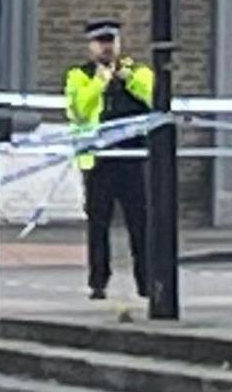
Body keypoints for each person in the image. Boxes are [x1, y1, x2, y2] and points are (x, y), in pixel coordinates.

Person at [66, 20, 161, 300]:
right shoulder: (79, 75)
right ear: (91, 46)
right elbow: (79, 110)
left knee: (140, 223)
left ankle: (146, 282)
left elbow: (155, 98)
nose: (106, 47)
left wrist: (127, 79)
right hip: (99, 161)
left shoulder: (138, 71)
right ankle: (98, 282)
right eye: (100, 42)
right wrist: (99, 82)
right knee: (98, 224)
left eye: (111, 41)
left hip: (134, 159)